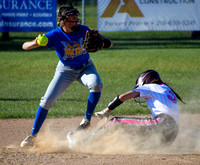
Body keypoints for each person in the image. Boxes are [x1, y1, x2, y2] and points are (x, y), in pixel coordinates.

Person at [20, 4, 113, 147]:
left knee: (96, 84)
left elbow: (109, 42)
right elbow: (25, 46)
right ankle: (33, 136)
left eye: (77, 18)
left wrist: (103, 44)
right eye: (72, 19)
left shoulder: (84, 30)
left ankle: (86, 120)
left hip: (85, 67)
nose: (76, 21)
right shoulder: (55, 35)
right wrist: (36, 42)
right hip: (65, 70)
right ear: (63, 21)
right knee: (47, 101)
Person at [95, 70, 185, 145]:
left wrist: (107, 110)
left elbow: (122, 97)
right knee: (132, 143)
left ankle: (87, 140)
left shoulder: (151, 86)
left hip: (162, 123)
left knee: (116, 122)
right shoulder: (166, 89)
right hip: (171, 135)